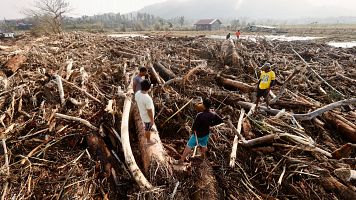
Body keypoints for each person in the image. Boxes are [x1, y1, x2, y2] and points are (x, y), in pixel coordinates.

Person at [175, 98, 224, 164]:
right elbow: (221, 120)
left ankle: (181, 160)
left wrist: (193, 130)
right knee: (203, 145)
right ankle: (202, 157)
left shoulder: (200, 115)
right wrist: (211, 124)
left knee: (188, 145)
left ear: (203, 105)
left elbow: (194, 127)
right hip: (206, 134)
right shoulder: (213, 114)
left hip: (197, 135)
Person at [135, 79, 156, 145]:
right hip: (147, 117)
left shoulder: (137, 93)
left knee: (148, 126)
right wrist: (152, 120)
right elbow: (149, 111)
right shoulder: (147, 99)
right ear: (149, 88)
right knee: (147, 129)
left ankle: (149, 127)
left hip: (142, 113)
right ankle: (148, 141)